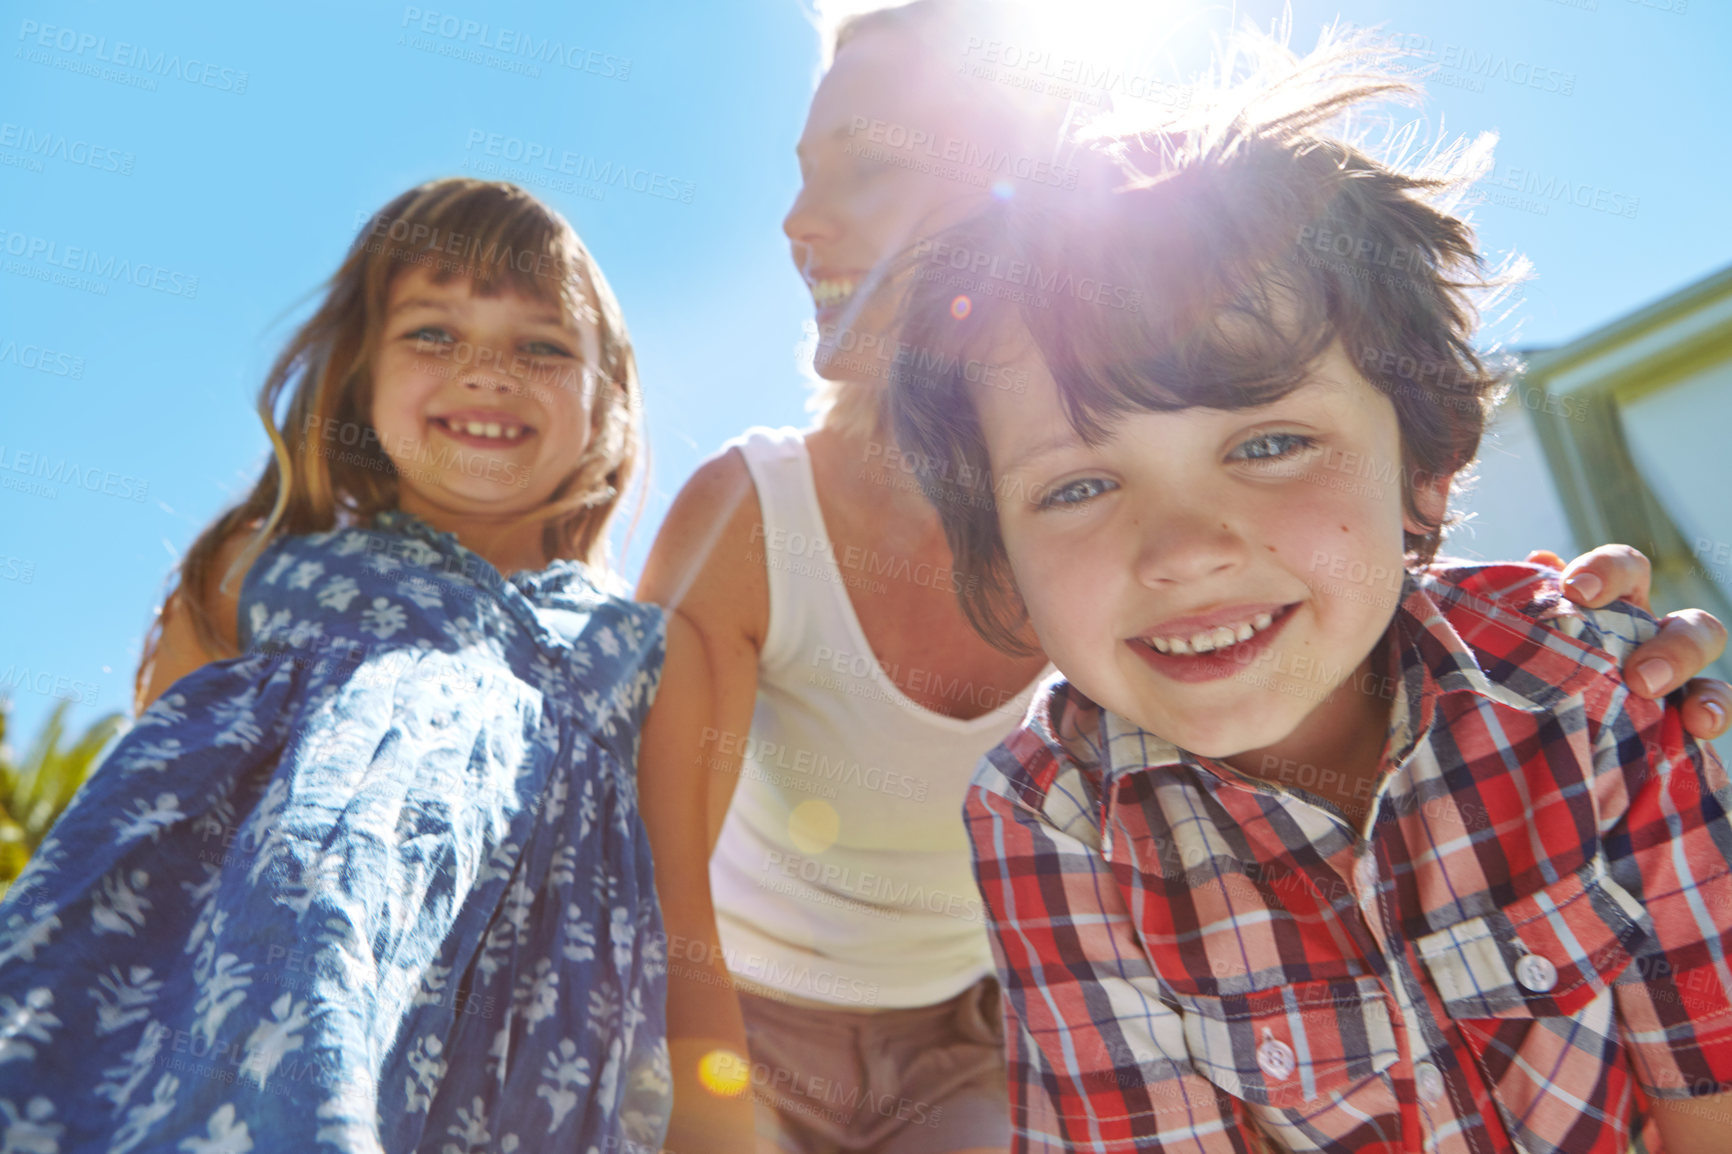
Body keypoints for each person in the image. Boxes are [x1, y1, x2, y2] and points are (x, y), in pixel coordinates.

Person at [637, 3, 1732, 1152]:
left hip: (970, 1035)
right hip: (750, 1017)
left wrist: (1552, 631)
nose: (797, 222)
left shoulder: (1537, 674)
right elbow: (648, 890)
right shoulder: (778, 533)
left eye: (869, 166)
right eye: (1073, 487)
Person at [0, 178, 723, 1153]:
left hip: (516, 1086)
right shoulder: (254, 570)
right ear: (356, 374)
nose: (486, 370)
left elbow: (684, 938)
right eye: (433, 332)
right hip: (223, 1050)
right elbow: (138, 842)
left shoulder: (642, 654)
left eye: (542, 345)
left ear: (607, 402)